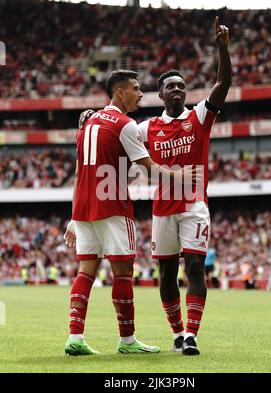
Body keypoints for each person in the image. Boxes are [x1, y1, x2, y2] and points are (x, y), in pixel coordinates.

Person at [79, 16, 231, 356]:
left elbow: (222, 85)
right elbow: (115, 137)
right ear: (160, 94)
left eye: (181, 85)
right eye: (170, 86)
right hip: (162, 209)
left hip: (194, 205)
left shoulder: (199, 117)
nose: (176, 89)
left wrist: (223, 50)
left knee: (194, 266)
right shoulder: (145, 128)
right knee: (166, 274)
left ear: (185, 92)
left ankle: (191, 334)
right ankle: (176, 333)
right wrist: (91, 117)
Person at [64, 69, 197, 356]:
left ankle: (75, 336)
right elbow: (149, 168)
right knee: (123, 272)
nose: (140, 94)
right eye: (136, 89)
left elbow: (79, 173)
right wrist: (180, 177)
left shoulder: (88, 123)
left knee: (86, 271)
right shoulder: (125, 124)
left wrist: (73, 218)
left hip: (84, 207)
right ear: (120, 92)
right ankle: (127, 340)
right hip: (112, 204)